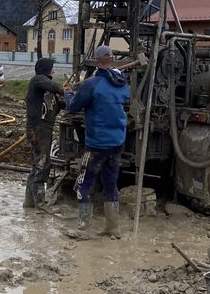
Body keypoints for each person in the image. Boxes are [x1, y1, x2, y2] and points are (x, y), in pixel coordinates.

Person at [64, 44, 130, 238]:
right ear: (112, 60)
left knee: (83, 184)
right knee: (111, 183)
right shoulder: (122, 83)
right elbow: (125, 98)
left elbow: (73, 107)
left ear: (95, 61)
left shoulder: (92, 84)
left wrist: (68, 92)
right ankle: (113, 228)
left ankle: (82, 228)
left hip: (96, 144)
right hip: (117, 142)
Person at [24, 56, 65, 208]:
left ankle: (29, 203)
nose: (54, 70)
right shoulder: (37, 81)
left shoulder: (47, 91)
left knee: (37, 165)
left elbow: (61, 105)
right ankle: (40, 206)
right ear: (47, 69)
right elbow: (55, 87)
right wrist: (66, 89)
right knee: (42, 165)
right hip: (38, 130)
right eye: (52, 67)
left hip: (43, 131)